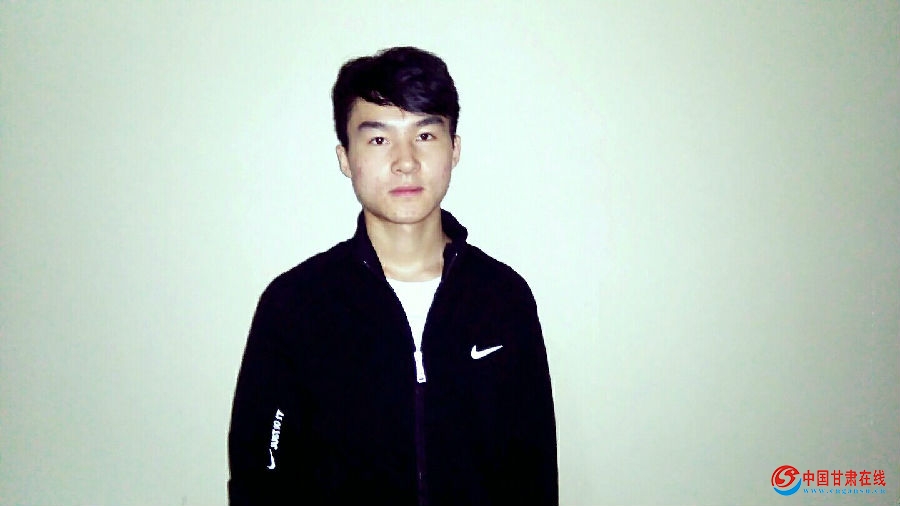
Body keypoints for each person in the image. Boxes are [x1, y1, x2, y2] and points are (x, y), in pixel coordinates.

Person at [228, 46, 558, 506]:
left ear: (454, 149)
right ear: (346, 157)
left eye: (424, 135)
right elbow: (259, 479)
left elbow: (534, 473)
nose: (406, 161)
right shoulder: (295, 305)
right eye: (379, 139)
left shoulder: (503, 298)